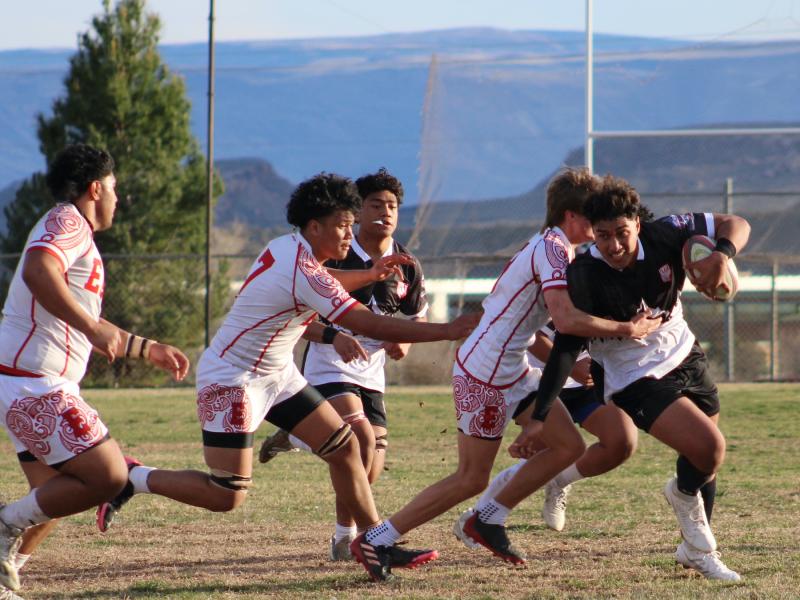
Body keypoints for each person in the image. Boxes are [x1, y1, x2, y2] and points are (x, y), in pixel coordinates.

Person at [94, 172, 478, 583]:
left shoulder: (290, 249)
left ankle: (373, 540)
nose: (350, 236)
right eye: (342, 226)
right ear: (314, 227)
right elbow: (368, 322)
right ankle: (134, 477)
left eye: (351, 225)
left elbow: (324, 282)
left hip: (276, 372)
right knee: (228, 494)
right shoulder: (304, 270)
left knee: (346, 448)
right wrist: (447, 330)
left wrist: (368, 276)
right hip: (233, 379)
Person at [349, 167, 659, 570]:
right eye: (591, 214)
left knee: (568, 447)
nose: (598, 220)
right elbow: (564, 320)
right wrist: (626, 328)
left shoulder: (556, 247)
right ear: (570, 216)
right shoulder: (552, 248)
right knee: (471, 477)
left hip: (508, 368)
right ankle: (376, 540)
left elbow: (541, 324)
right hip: (485, 374)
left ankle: (488, 520)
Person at [514, 174, 749, 581]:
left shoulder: (668, 232)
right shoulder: (584, 273)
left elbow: (737, 223)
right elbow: (567, 346)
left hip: (684, 352)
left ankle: (694, 550)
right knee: (710, 448)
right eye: (602, 236)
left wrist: (721, 255)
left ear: (637, 223)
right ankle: (680, 499)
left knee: (702, 461)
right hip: (631, 376)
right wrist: (540, 416)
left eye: (622, 233)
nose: (614, 245)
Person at [0, 144, 191, 594]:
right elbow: (37, 270)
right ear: (94, 188)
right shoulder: (67, 221)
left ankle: (7, 576)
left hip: (33, 381)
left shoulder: (73, 231)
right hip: (36, 385)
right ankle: (3, 525)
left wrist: (146, 349)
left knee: (53, 499)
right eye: (114, 188)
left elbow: (77, 311)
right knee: (108, 477)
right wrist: (91, 326)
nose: (117, 198)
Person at [257, 168, 428, 561]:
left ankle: (296, 436)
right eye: (375, 205)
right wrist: (335, 336)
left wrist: (403, 338)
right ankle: (345, 538)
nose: (385, 213)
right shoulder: (337, 254)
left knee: (372, 462)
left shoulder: (407, 263)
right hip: (329, 365)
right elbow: (298, 319)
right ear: (357, 210)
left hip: (373, 373)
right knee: (360, 440)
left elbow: (416, 313)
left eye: (392, 206)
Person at [453, 321, 636, 544]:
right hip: (543, 381)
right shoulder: (566, 286)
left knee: (621, 441)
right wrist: (570, 365)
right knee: (539, 456)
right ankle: (478, 517)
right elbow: (531, 331)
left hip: (588, 382)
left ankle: (558, 480)